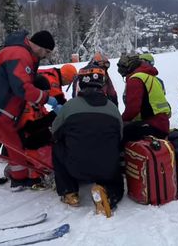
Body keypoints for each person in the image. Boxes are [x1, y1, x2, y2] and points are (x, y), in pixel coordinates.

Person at [0, 29, 57, 188]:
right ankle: (20, 178)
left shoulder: (18, 49)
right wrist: (46, 98)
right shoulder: (20, 55)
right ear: (40, 47)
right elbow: (22, 87)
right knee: (13, 140)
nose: (46, 56)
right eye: (47, 52)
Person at [52, 64, 124, 217]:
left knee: (57, 146)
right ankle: (109, 193)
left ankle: (69, 191)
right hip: (107, 169)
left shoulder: (69, 107)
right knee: (113, 156)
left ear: (81, 84)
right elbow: (120, 137)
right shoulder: (112, 108)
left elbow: (55, 132)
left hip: (76, 168)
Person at [117, 53, 171, 146]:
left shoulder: (135, 79)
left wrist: (120, 121)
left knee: (117, 134)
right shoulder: (150, 77)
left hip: (152, 125)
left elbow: (133, 109)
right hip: (162, 124)